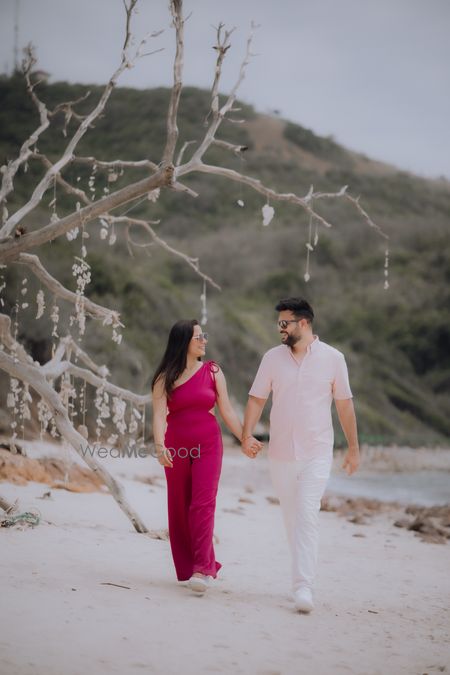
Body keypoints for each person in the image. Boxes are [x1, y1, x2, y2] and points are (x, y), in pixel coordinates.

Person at [241, 297, 360, 613]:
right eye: (279, 323)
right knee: (291, 518)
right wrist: (246, 434)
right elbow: (256, 398)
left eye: (285, 323)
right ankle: (300, 581)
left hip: (317, 451)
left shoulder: (333, 359)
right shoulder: (272, 358)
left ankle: (303, 587)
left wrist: (353, 448)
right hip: (280, 453)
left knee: (307, 514)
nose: (280, 328)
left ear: (303, 323)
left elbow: (344, 405)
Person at [151, 319, 261, 594]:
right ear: (183, 342)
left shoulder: (213, 371)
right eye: (198, 337)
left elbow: (227, 410)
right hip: (176, 447)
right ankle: (192, 565)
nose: (204, 341)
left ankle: (201, 569)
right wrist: (160, 446)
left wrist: (245, 438)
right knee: (180, 505)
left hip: (208, 444)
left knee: (202, 503)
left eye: (204, 336)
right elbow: (159, 416)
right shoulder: (164, 378)